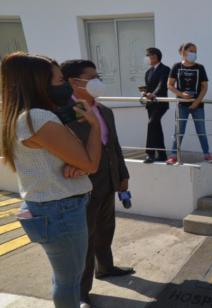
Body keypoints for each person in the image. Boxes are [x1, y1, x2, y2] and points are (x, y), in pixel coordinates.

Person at [1, 52, 102, 308]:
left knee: (64, 276)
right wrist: (95, 126)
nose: (66, 85)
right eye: (59, 81)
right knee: (69, 280)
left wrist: (75, 163)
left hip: (48, 205)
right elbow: (91, 162)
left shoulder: (20, 115)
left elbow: (65, 156)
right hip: (61, 208)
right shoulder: (38, 118)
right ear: (38, 84)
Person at [60, 59, 134, 307]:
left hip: (108, 180)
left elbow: (114, 146)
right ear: (73, 81)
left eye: (97, 76)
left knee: (105, 228)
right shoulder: (63, 112)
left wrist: (123, 175)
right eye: (91, 77)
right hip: (82, 184)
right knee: (86, 238)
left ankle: (106, 267)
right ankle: (81, 292)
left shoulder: (104, 111)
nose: (97, 82)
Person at [166, 42, 212, 164]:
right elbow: (169, 85)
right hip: (181, 105)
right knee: (178, 131)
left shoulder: (200, 68)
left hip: (198, 105)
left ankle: (207, 154)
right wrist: (181, 95)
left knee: (201, 131)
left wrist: (196, 103)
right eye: (191, 51)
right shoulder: (176, 67)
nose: (194, 53)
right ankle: (173, 155)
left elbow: (204, 87)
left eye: (195, 51)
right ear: (184, 52)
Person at [142, 47, 170, 163]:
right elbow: (147, 87)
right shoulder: (148, 72)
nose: (148, 58)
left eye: (149, 56)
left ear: (155, 57)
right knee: (156, 127)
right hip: (150, 104)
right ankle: (162, 154)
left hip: (160, 103)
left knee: (152, 123)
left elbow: (162, 85)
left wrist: (153, 94)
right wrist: (144, 93)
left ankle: (150, 153)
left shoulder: (165, 69)